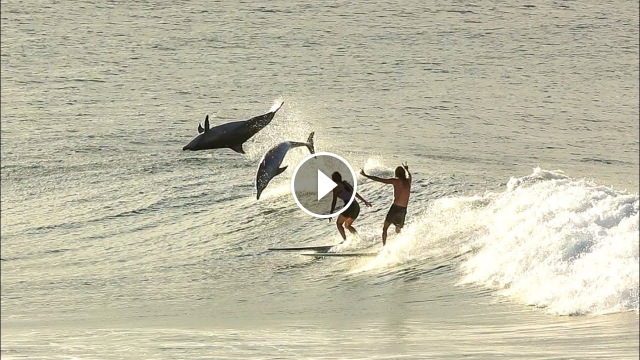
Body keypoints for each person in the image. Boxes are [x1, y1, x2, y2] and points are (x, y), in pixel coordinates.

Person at [360, 163, 412, 246]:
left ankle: (384, 247)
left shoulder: (396, 181)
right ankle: (400, 246)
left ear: (397, 174)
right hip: (403, 210)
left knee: (385, 229)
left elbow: (380, 179)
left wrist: (366, 175)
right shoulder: (408, 181)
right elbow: (409, 175)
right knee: (398, 229)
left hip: (395, 208)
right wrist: (407, 170)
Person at [329, 171, 372, 242]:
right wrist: (365, 201)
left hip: (349, 206)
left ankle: (345, 240)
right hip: (356, 206)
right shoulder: (346, 184)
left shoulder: (336, 187)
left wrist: (331, 213)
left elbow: (334, 201)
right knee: (347, 225)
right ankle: (358, 239)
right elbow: (355, 193)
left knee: (339, 224)